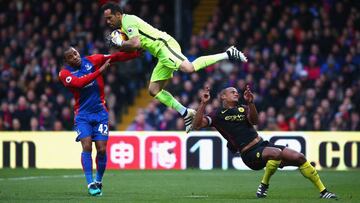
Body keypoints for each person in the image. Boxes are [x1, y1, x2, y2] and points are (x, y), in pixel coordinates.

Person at [101, 2, 248, 133]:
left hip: (164, 45)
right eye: (106, 19)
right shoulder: (125, 26)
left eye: (110, 18)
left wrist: (119, 43)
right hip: (160, 54)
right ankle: (185, 112)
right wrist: (121, 46)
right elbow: (137, 48)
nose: (108, 22)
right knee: (153, 90)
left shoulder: (128, 21)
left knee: (189, 68)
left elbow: (136, 44)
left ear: (118, 15)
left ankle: (228, 53)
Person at [192, 85, 337, 199]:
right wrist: (203, 104)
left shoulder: (243, 108)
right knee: (276, 154)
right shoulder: (217, 114)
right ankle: (265, 184)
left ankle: (324, 191)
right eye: (232, 92)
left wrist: (251, 103)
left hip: (263, 145)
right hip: (249, 154)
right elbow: (197, 125)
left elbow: (255, 121)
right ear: (223, 96)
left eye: (237, 92)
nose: (236, 93)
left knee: (299, 157)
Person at [58, 47, 140, 196]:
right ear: (66, 61)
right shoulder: (64, 74)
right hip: (82, 115)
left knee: (102, 149)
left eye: (76, 53)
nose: (75, 57)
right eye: (71, 56)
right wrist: (99, 72)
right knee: (87, 146)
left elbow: (115, 57)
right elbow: (78, 83)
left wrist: (135, 54)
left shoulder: (92, 60)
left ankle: (98, 180)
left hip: (100, 113)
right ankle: (90, 184)